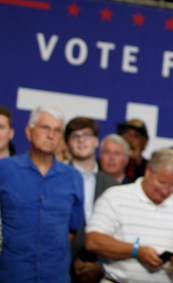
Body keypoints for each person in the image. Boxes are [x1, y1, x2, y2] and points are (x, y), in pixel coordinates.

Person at [86, 148, 173, 282]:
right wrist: (136, 251)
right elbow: (93, 241)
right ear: (148, 171)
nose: (165, 191)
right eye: (161, 182)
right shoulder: (115, 197)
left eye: (172, 186)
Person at [0, 106, 85, 283]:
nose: (51, 135)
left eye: (57, 130)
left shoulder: (73, 177)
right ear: (29, 131)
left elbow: (72, 229)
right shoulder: (5, 170)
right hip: (11, 274)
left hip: (55, 276)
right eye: (45, 128)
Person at [64, 117, 119, 283]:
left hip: (101, 266)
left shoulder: (112, 184)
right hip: (62, 264)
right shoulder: (57, 178)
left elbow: (118, 230)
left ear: (96, 141)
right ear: (67, 143)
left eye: (87, 135)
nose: (81, 141)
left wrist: (101, 267)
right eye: (75, 136)